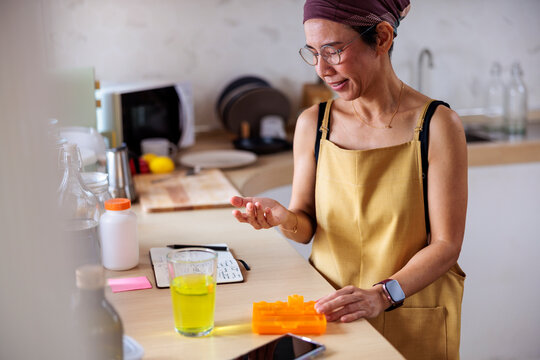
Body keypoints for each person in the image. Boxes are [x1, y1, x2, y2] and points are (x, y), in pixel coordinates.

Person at [230, 0, 467, 358]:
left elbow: (446, 244)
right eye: (313, 52)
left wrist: (383, 295)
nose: (322, 69)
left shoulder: (438, 125)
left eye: (333, 51)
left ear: (382, 37)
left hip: (412, 311)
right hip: (332, 314)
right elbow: (305, 226)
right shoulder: (314, 123)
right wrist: (283, 217)